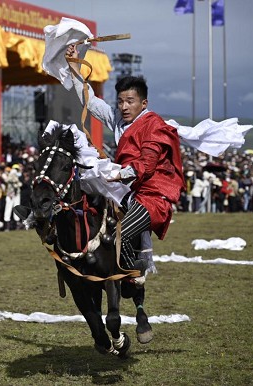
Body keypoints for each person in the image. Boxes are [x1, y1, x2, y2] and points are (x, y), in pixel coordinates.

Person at [66, 44, 185, 272]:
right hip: (128, 192)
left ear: (143, 104)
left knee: (117, 234)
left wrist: (118, 174)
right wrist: (74, 67)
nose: (123, 106)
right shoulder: (120, 122)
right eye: (120, 101)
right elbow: (90, 101)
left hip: (153, 197)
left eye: (130, 101)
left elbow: (146, 166)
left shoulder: (154, 126)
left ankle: (133, 271)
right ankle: (124, 272)